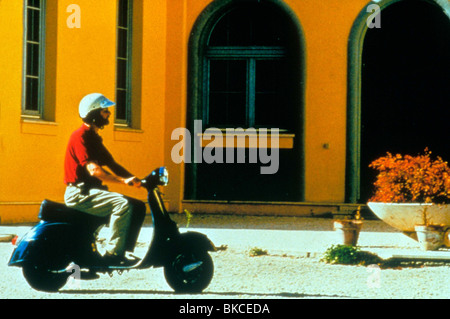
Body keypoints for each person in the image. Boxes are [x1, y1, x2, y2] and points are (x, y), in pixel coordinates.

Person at [64, 93, 146, 265]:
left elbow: (112, 164)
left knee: (138, 206)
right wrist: (123, 181)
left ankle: (125, 251)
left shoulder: (94, 138)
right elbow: (95, 171)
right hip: (79, 193)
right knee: (122, 204)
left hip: (90, 192)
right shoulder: (80, 137)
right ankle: (113, 254)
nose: (108, 114)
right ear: (93, 114)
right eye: (104, 111)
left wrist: (140, 181)